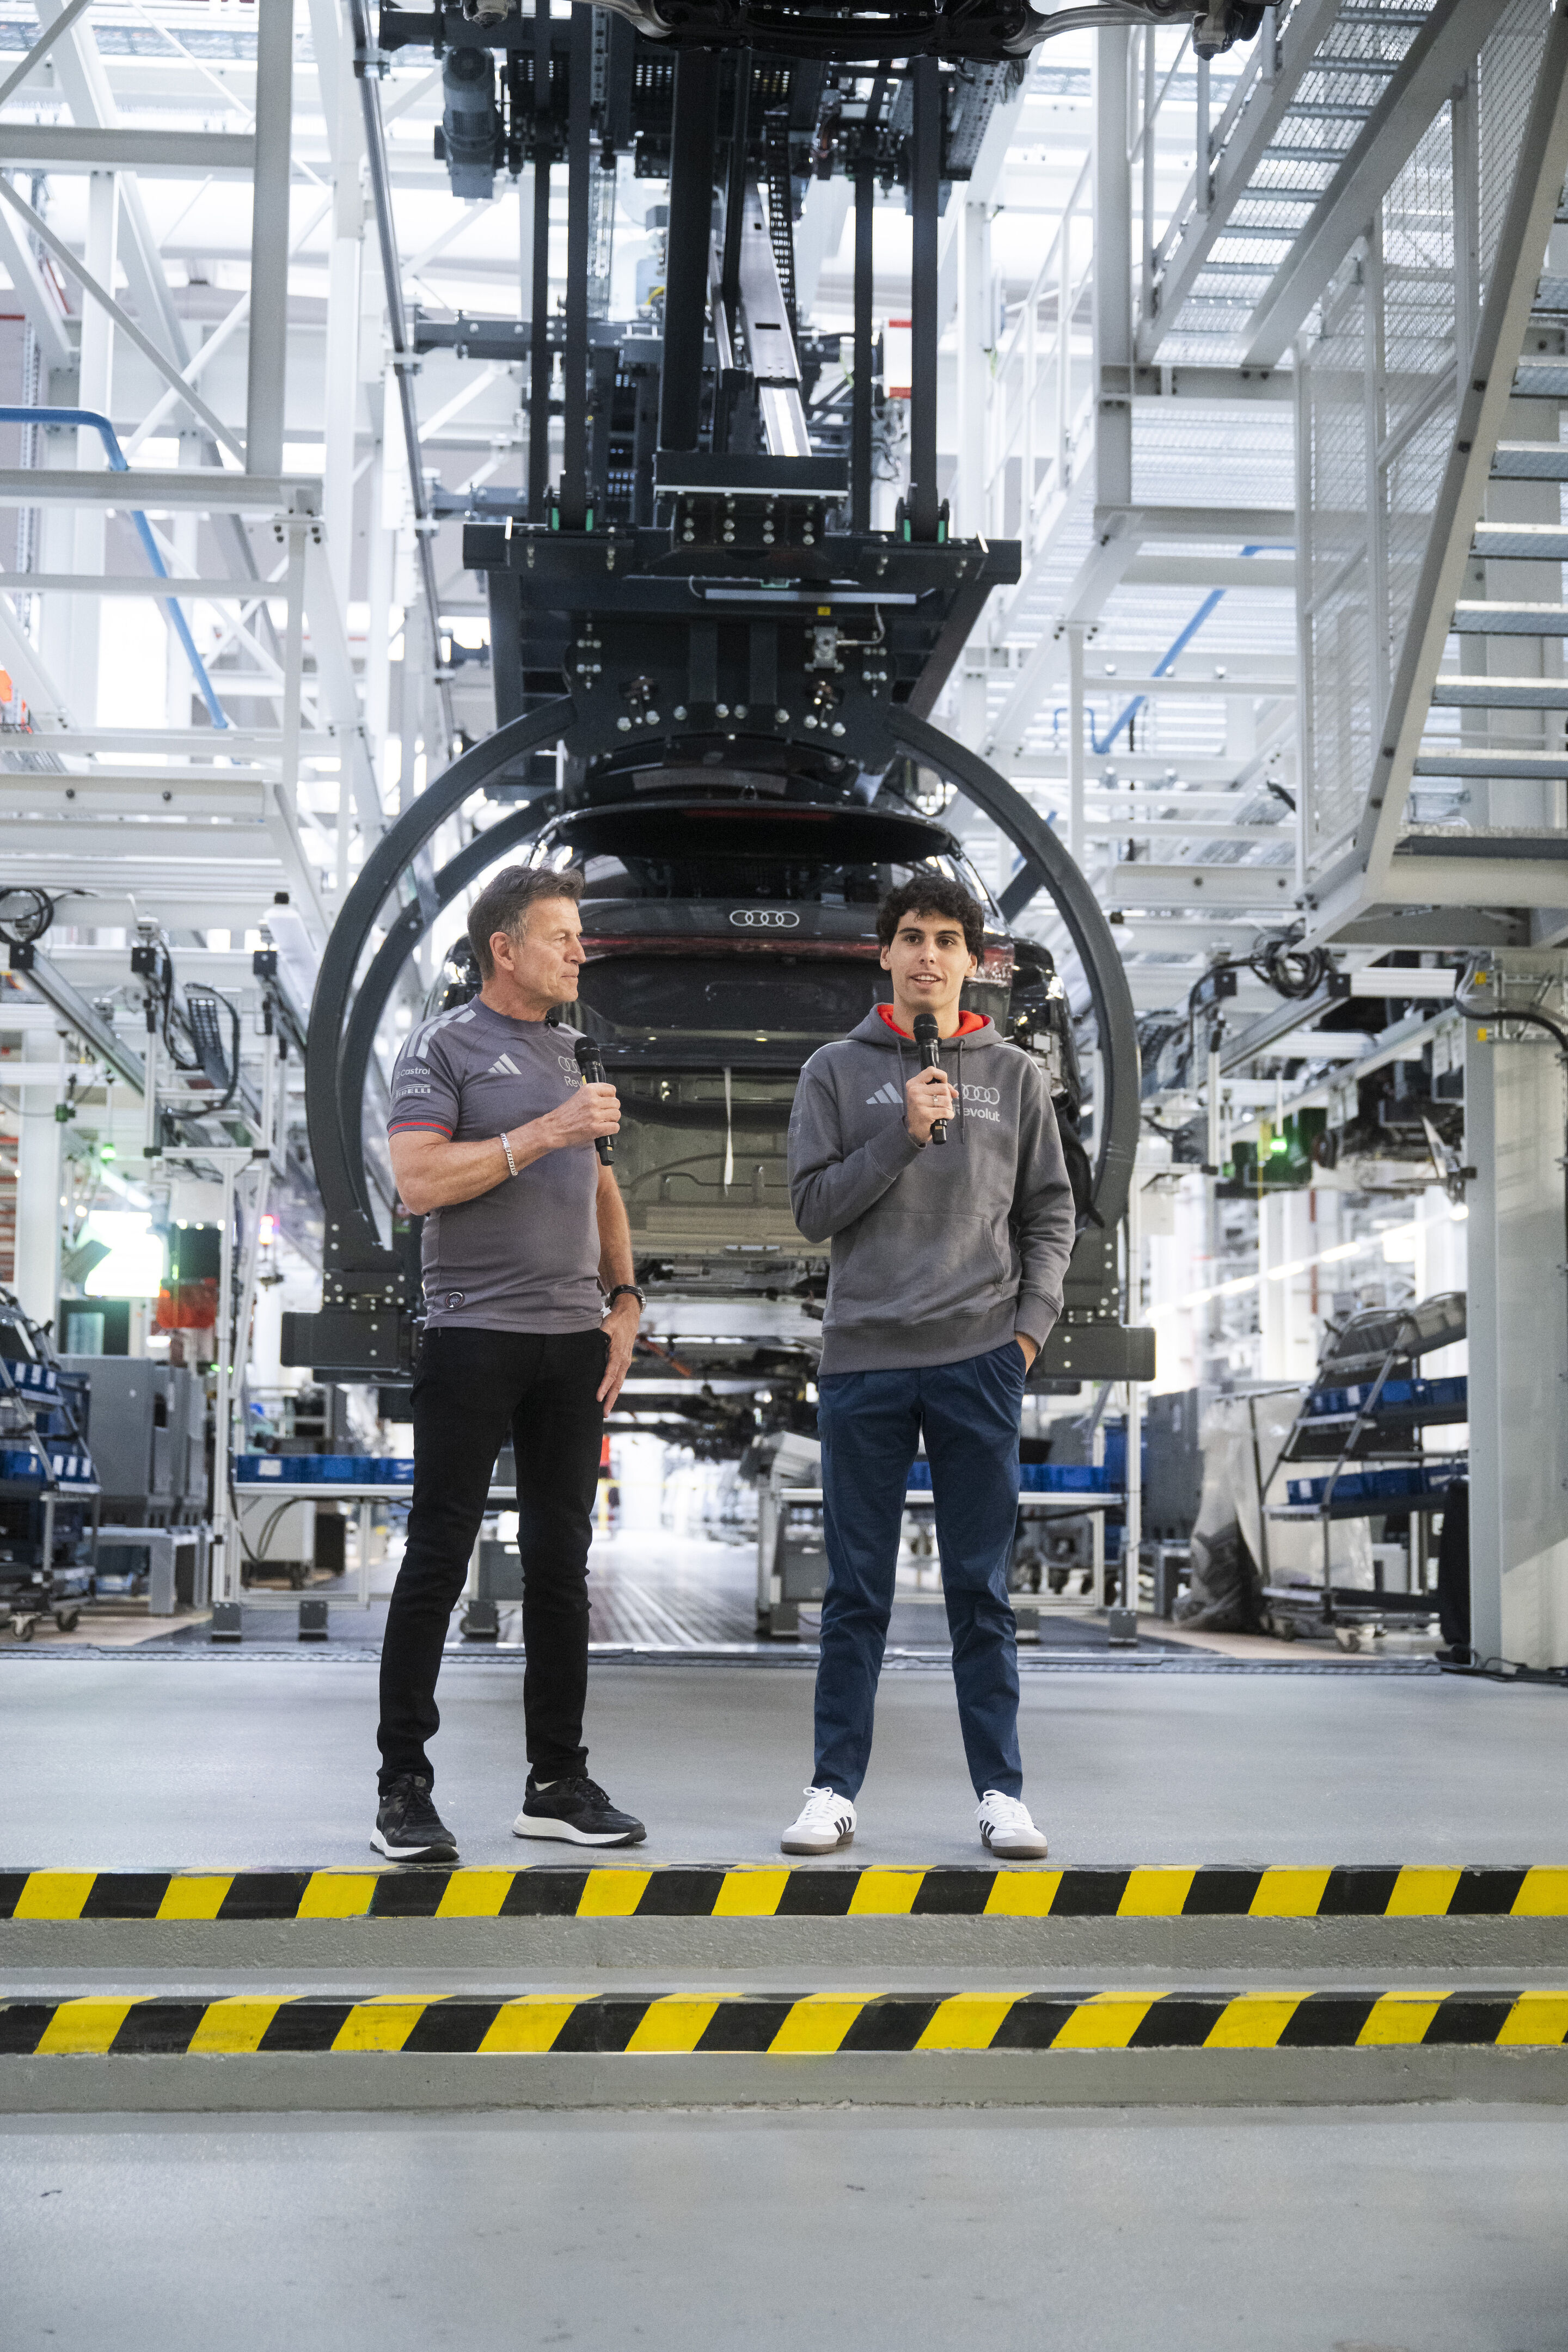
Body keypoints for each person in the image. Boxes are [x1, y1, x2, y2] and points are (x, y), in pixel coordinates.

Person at [781, 875, 1076, 1859]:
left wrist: (1026, 1332)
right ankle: (832, 1789)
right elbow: (814, 1209)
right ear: (885, 954)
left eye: (948, 939)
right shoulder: (834, 1070)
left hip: (978, 1358)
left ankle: (1002, 1793)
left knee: (980, 1593)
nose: (928, 955)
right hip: (864, 1360)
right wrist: (902, 1134)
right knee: (855, 1593)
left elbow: (1050, 1212)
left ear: (971, 961)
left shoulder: (1017, 1076)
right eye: (912, 937)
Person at [372, 865, 646, 1860]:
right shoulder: (443, 1046)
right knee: (439, 1555)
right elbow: (417, 1181)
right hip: (472, 1334)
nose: (580, 952)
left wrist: (625, 1300)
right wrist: (546, 1130)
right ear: (505, 948)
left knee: (562, 1566)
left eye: (579, 937)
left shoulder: (576, 1051)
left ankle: (557, 1782)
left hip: (571, 1344)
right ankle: (403, 1788)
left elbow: (600, 1187)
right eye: (561, 936)